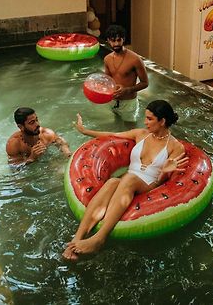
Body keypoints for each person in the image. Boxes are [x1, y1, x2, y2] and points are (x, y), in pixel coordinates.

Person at [62, 100, 188, 260]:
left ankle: (100, 238)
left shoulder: (175, 147)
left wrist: (165, 171)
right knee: (113, 182)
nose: (145, 122)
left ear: (162, 121)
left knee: (128, 179)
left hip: (149, 183)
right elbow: (111, 136)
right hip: (129, 179)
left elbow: (167, 182)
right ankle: (76, 239)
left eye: (150, 119)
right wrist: (85, 131)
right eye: (145, 118)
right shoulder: (141, 134)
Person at [104, 24, 149, 123]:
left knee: (130, 129)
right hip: (113, 101)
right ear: (108, 41)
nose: (116, 44)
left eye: (119, 40)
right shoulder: (107, 59)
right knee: (117, 126)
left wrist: (127, 90)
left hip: (129, 103)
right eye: (113, 40)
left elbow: (145, 83)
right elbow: (107, 80)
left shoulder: (135, 59)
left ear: (123, 39)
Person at [6, 107, 71, 164]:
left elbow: (62, 144)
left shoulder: (46, 134)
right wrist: (31, 158)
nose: (37, 124)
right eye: (32, 122)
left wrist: (67, 154)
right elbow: (14, 169)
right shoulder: (14, 144)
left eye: (36, 120)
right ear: (21, 127)